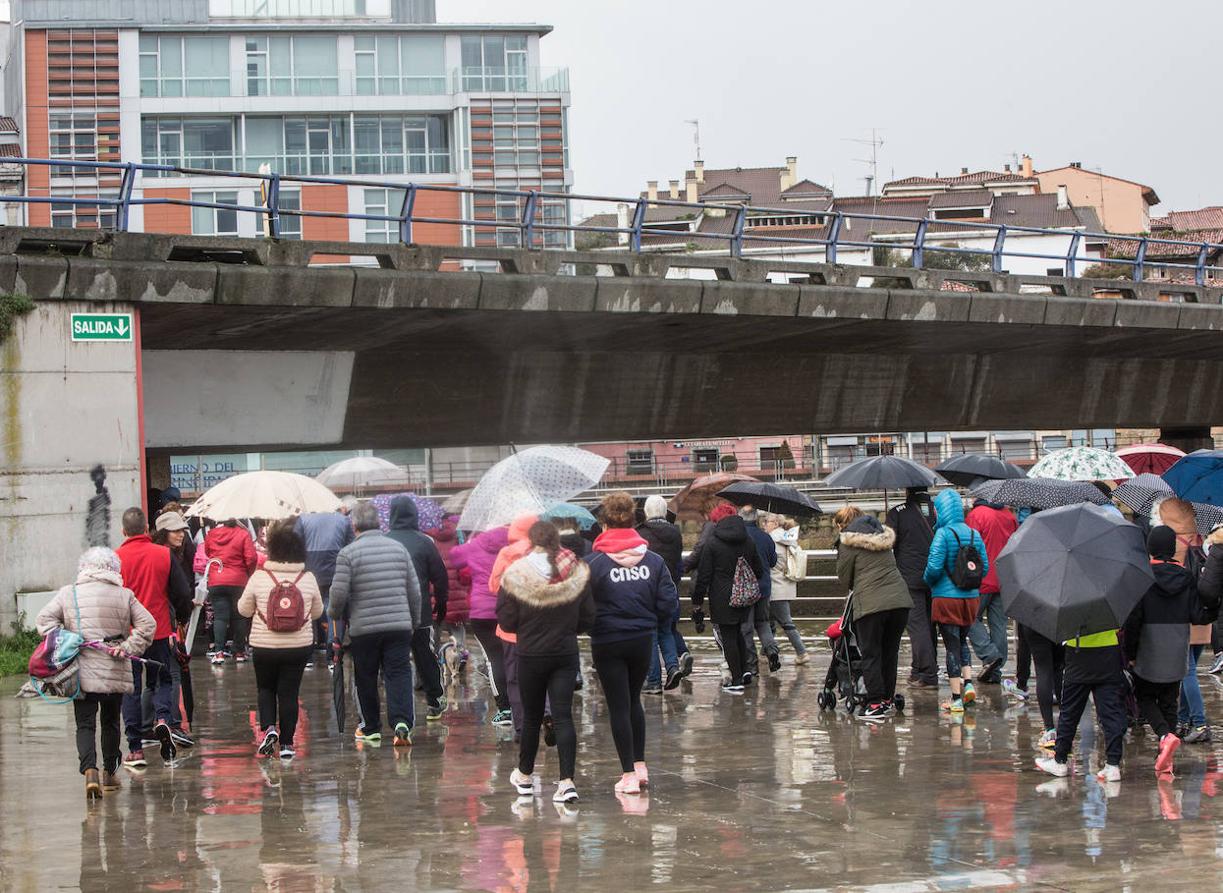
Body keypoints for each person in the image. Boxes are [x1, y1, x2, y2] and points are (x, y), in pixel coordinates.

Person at [36, 547, 156, 799]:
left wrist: (68, 640)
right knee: (111, 722)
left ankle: (89, 770)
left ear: (84, 568)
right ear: (114, 569)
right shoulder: (125, 595)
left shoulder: (69, 594)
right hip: (114, 668)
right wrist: (126, 648)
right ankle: (109, 774)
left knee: (85, 724)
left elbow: (44, 620)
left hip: (81, 671)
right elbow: (148, 625)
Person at [585, 491, 679, 794]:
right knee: (634, 699)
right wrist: (652, 620)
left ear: (604, 523)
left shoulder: (593, 563)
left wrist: (592, 626)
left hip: (607, 640)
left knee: (618, 705)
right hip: (642, 638)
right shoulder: (652, 560)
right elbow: (668, 602)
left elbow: (581, 606)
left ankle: (627, 774)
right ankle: (640, 764)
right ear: (633, 518)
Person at [497, 521, 593, 804]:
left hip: (530, 654)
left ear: (531, 541)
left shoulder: (516, 573)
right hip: (564, 652)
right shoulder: (575, 571)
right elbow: (588, 616)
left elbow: (506, 619)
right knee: (563, 716)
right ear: (556, 540)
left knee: (531, 717)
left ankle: (525, 776)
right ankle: (567, 783)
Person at [1123, 526, 1214, 777]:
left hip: (1149, 646)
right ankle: (1167, 753)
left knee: (1144, 697)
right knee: (1169, 700)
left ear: (1150, 548)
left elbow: (1133, 619)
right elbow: (1198, 615)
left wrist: (1130, 653)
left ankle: (1165, 736)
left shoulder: (1143, 577)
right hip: (1176, 645)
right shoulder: (1186, 577)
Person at [329, 502, 422, 747]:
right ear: (379, 523)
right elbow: (414, 591)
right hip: (399, 625)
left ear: (354, 524)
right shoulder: (399, 549)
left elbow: (338, 595)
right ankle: (402, 722)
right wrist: (413, 620)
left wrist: (333, 614)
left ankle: (370, 727)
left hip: (364, 629)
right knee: (399, 672)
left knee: (366, 676)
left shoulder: (347, 554)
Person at [238, 522, 325, 761]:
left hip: (264, 646)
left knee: (266, 688)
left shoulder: (259, 576)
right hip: (298, 647)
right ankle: (287, 744)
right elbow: (317, 612)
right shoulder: (307, 577)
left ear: (272, 550)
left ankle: (269, 729)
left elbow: (243, 610)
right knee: (289, 693)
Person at [115, 507, 193, 768]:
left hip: (129, 636)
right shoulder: (163, 555)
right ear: (147, 529)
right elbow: (183, 592)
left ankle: (135, 749)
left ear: (123, 531)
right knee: (162, 681)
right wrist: (180, 619)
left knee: (132, 689)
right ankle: (162, 720)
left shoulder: (116, 559)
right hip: (159, 631)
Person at [834, 507, 913, 720]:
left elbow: (844, 578)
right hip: (899, 602)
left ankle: (875, 702)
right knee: (890, 653)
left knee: (871, 653)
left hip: (871, 605)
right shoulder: (882, 539)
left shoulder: (848, 543)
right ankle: (886, 699)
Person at [1035, 625, 1128, 783]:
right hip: (1108, 652)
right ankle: (1113, 765)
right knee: (1111, 712)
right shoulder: (1109, 601)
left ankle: (1060, 760)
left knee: (1070, 711)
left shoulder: (1070, 600)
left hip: (1078, 652)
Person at [922, 490, 988, 714]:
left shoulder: (942, 534)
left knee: (951, 647)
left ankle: (956, 698)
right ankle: (968, 684)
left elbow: (933, 568)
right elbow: (985, 568)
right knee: (963, 641)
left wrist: (930, 583)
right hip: (970, 599)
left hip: (946, 599)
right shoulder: (973, 534)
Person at [692, 501, 766, 693]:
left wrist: (697, 601)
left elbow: (704, 575)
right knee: (740, 633)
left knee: (728, 636)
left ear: (716, 520)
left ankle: (736, 681)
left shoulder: (713, 543)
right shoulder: (748, 540)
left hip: (721, 596)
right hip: (744, 595)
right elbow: (758, 570)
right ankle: (744, 671)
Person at [386, 495, 449, 721]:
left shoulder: (385, 540)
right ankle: (434, 700)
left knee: (395, 661)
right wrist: (441, 606)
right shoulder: (424, 542)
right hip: (420, 612)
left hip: (391, 612)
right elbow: (440, 578)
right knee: (425, 656)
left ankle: (399, 713)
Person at [453, 526, 513, 726]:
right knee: (516, 656)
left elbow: (455, 558)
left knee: (494, 659)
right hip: (512, 606)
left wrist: (470, 542)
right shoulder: (515, 541)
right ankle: (522, 704)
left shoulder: (477, 543)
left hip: (483, 611)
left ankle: (505, 710)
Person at [488, 514, 539, 737]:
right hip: (539, 626)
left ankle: (520, 727)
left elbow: (494, 585)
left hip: (511, 629)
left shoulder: (507, 554)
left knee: (515, 679)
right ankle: (544, 714)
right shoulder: (545, 553)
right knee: (540, 675)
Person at [636, 495, 691, 691]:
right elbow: (677, 564)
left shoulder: (641, 533)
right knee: (666, 630)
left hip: (647, 589)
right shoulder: (675, 533)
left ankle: (653, 682)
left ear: (646, 512)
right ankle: (672, 667)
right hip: (670, 588)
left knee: (650, 632)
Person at [886, 487, 939, 687]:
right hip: (936, 575)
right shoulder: (937, 510)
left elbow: (888, 543)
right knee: (929, 624)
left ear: (908, 490)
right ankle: (920, 668)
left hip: (909, 576)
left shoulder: (898, 512)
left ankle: (927, 673)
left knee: (916, 625)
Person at [965, 496, 1018, 683]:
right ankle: (996, 671)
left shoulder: (976, 515)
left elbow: (968, 548)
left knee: (969, 617)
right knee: (999, 625)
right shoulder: (1008, 515)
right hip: (1004, 578)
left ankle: (989, 655)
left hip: (981, 579)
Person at [296, 509, 355, 655]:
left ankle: (307, 651)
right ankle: (332, 648)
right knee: (333, 608)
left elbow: (295, 545)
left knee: (307, 608)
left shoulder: (302, 519)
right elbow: (351, 546)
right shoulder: (343, 520)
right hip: (334, 567)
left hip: (309, 568)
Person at [204, 518, 259, 665]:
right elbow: (251, 558)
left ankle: (219, 652)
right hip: (238, 580)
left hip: (216, 579)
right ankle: (239, 651)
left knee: (220, 617)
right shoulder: (243, 534)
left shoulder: (212, 533)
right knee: (240, 616)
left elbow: (207, 552)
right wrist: (248, 573)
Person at [764, 514, 809, 664]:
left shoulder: (771, 540)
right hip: (786, 585)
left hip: (775, 587)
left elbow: (769, 562)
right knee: (768, 621)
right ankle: (764, 652)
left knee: (786, 623)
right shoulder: (787, 538)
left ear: (775, 523)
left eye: (766, 522)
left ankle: (802, 652)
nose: (764, 525)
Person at [739, 506, 780, 674]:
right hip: (764, 587)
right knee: (763, 623)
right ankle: (771, 650)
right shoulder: (765, 537)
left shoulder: (740, 537)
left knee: (746, 627)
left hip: (746, 588)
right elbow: (772, 561)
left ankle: (752, 664)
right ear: (757, 519)